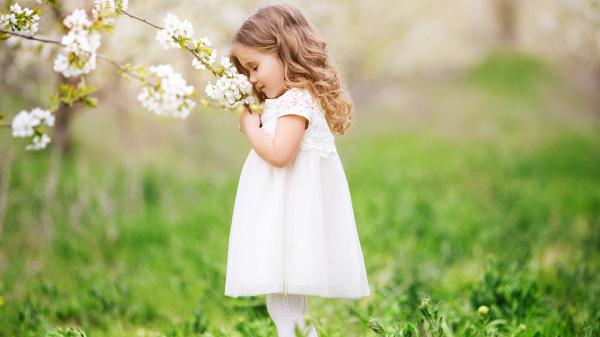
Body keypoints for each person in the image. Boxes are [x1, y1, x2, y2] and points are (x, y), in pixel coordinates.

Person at [224, 4, 370, 336]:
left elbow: (280, 154)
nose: (252, 78)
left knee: (285, 299)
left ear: (284, 51)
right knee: (282, 299)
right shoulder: (288, 100)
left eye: (255, 66)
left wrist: (250, 128)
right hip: (283, 209)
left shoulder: (296, 101)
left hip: (288, 213)